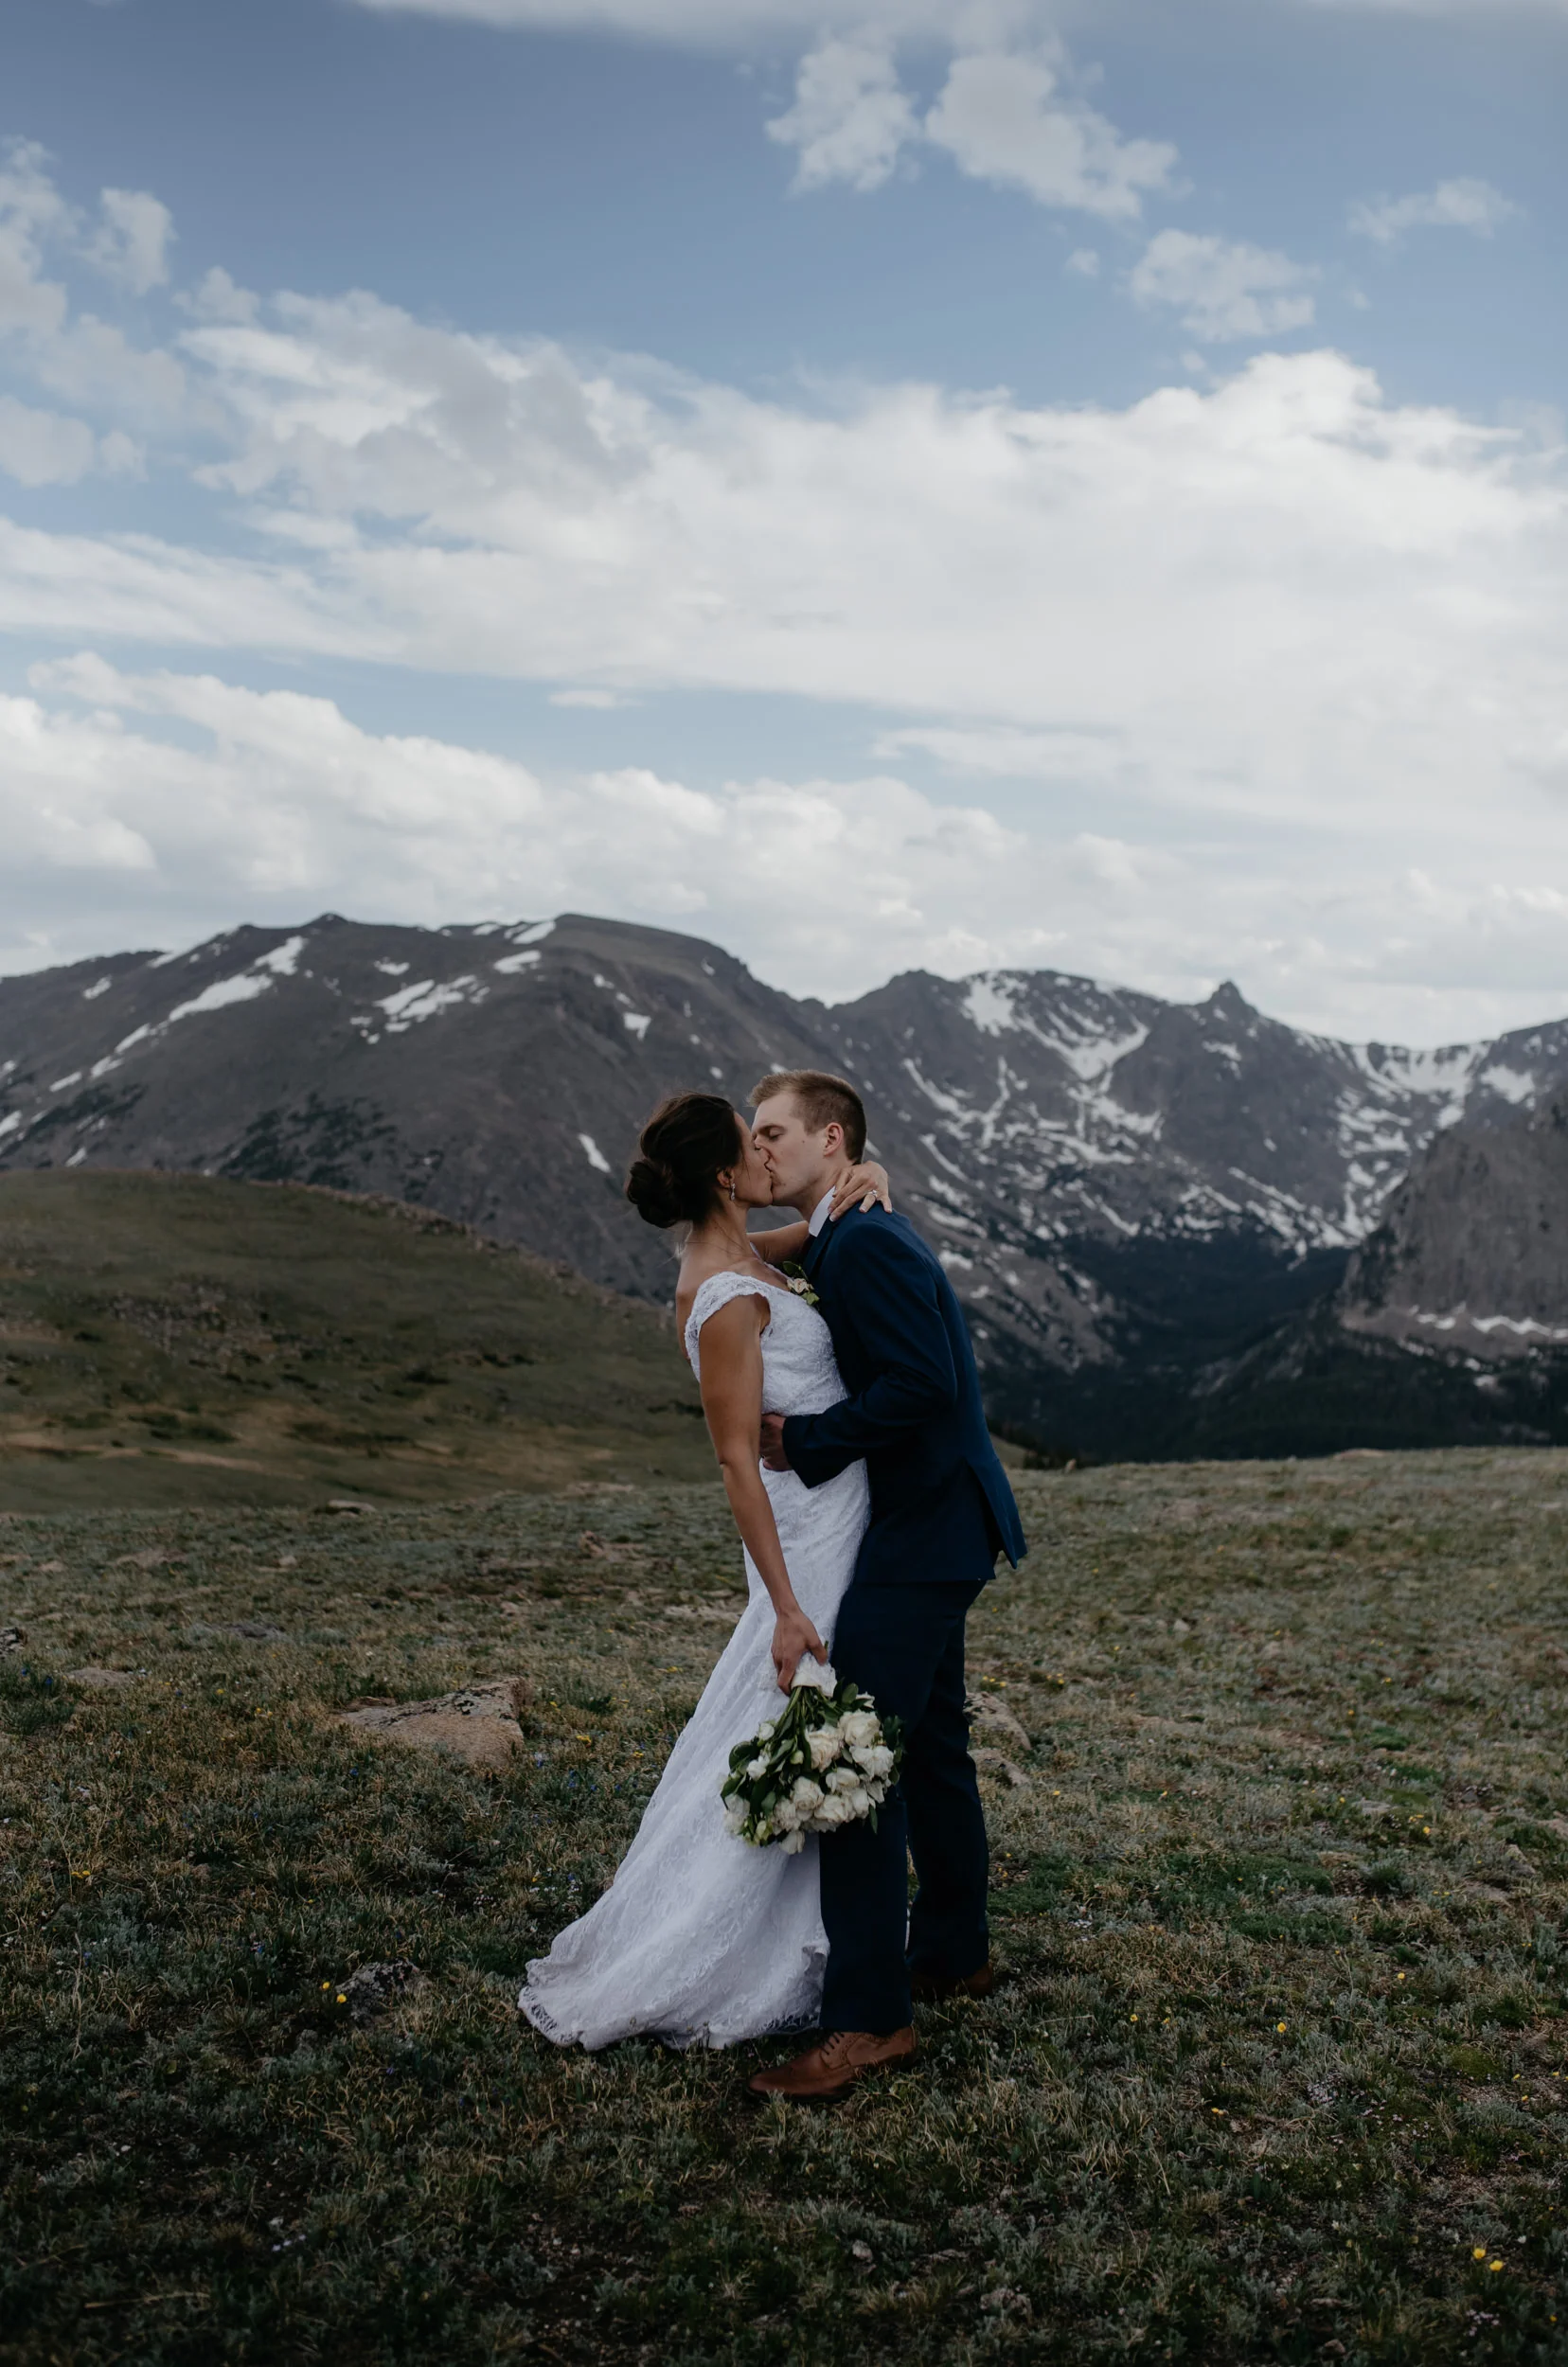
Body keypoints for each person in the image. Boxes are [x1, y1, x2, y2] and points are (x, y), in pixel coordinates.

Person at [517, 1089, 888, 2049]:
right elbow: (733, 1459)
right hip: (805, 1543)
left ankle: (815, 1929)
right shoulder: (720, 1292)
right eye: (752, 1144)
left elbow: (816, 1229)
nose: (769, 1153)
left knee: (798, 1723)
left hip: (836, 1515)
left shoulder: (742, 1253)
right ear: (727, 1175)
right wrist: (784, 1602)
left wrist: (866, 1177)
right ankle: (726, 1948)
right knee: (791, 1712)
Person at [746, 1068, 1026, 2102]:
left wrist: (803, 1440)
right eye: (749, 1135)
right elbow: (780, 1251)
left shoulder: (864, 1239)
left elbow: (923, 1385)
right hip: (940, 1526)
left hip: (923, 1533)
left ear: (832, 1138)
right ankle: (955, 1949)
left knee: (853, 1756)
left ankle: (868, 2021)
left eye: (775, 1131)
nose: (760, 1147)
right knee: (935, 1742)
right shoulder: (845, 1232)